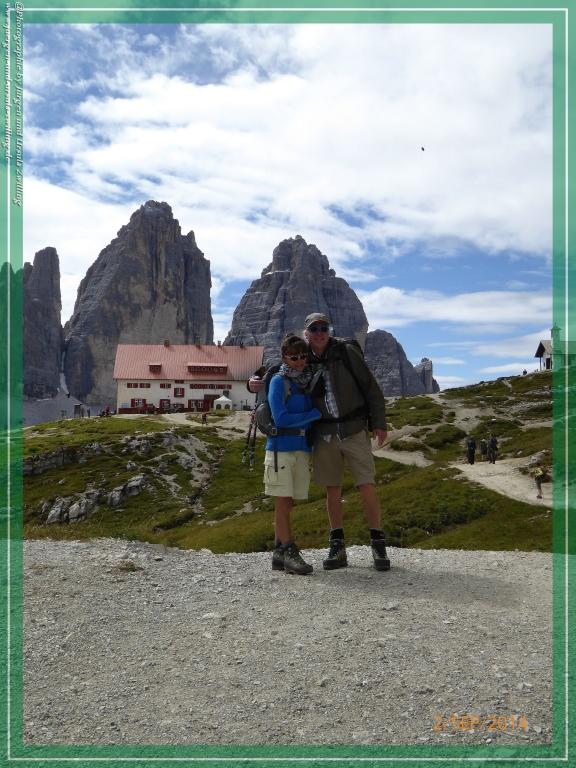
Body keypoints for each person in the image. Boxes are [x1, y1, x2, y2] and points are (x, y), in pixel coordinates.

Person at [251, 313, 390, 571]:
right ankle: (337, 547)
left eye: (323, 328)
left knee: (366, 484)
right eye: (313, 329)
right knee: (332, 489)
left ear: (329, 330)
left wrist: (379, 423)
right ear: (306, 333)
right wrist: (252, 383)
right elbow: (273, 370)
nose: (319, 333)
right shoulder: (302, 357)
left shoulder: (346, 352)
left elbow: (370, 386)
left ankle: (378, 543)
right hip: (324, 433)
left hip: (353, 428)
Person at [265, 334, 322, 575]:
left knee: (289, 503)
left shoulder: (305, 382)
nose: (299, 361)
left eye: (303, 356)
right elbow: (280, 418)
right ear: (284, 358)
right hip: (280, 449)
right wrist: (313, 415)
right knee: (283, 501)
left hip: (302, 449)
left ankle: (279, 553)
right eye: (293, 357)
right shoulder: (278, 381)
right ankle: (289, 551)